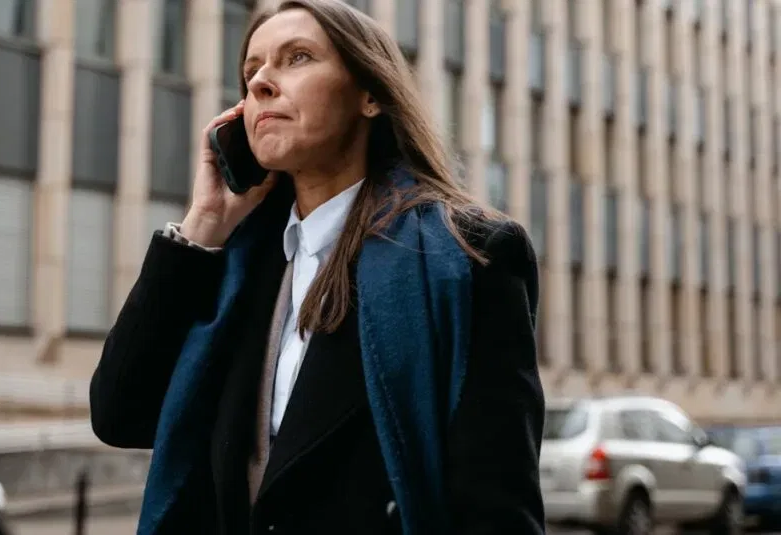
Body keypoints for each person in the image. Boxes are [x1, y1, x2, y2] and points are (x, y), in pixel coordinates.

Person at [90, 0, 546, 533]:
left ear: (370, 94)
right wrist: (203, 223)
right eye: (251, 70)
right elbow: (120, 415)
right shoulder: (237, 264)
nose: (261, 82)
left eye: (297, 57)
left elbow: (498, 509)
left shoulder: (467, 256)